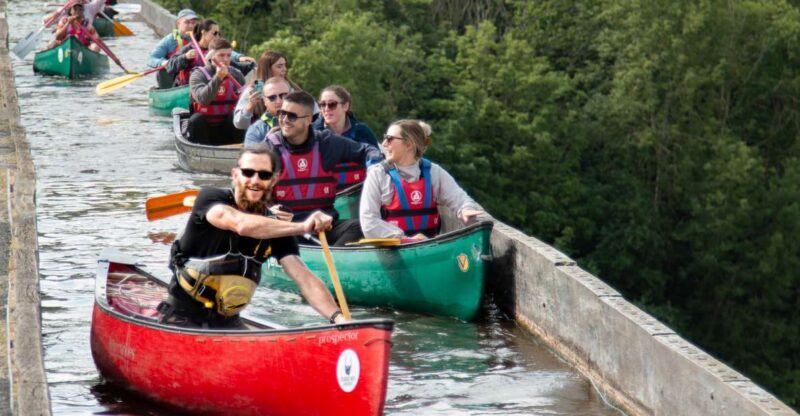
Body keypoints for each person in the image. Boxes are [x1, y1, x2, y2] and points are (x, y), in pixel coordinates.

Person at [158, 145, 347, 329]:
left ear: (273, 181)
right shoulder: (210, 198)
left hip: (228, 322)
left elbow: (305, 280)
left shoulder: (275, 228)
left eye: (263, 175)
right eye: (248, 173)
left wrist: (339, 319)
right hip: (181, 318)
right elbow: (241, 224)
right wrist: (302, 226)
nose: (255, 180)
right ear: (235, 175)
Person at [257, 91, 384, 246]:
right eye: (281, 114)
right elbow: (247, 193)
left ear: (309, 120)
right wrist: (269, 209)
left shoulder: (326, 143)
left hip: (324, 226)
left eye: (291, 116)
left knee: (358, 228)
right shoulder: (268, 150)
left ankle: (331, 262)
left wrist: (374, 165)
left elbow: (367, 150)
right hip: (287, 229)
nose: (284, 120)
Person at [360, 120, 484, 241]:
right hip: (393, 251)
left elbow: (460, 198)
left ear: (409, 144)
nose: (384, 144)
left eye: (389, 138)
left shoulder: (433, 172)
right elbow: (368, 221)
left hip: (428, 247)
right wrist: (405, 239)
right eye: (385, 138)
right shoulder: (377, 174)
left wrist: (465, 209)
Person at [312, 85, 379, 191]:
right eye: (322, 104)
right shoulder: (312, 133)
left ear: (345, 106)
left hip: (359, 196)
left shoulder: (362, 132)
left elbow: (377, 165)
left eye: (332, 104)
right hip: (323, 197)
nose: (326, 109)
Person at [187, 38, 246, 145]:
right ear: (211, 56)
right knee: (196, 120)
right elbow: (203, 100)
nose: (226, 59)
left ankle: (238, 150)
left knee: (238, 117)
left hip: (227, 127)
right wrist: (218, 77)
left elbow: (245, 102)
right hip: (204, 128)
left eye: (229, 55)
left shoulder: (237, 74)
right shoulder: (198, 75)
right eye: (221, 55)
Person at [167, 19, 255, 87]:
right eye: (215, 33)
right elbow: (170, 66)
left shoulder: (216, 51)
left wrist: (251, 65)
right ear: (204, 33)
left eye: (219, 33)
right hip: (190, 87)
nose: (218, 37)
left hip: (210, 87)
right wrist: (185, 57)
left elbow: (236, 68)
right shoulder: (190, 48)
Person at [233, 51, 308, 130]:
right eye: (279, 66)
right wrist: (250, 107)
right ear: (267, 69)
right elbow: (239, 124)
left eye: (285, 65)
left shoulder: (291, 88)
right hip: (261, 135)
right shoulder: (255, 89)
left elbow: (311, 110)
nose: (285, 69)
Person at [146, 8, 198, 89]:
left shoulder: (200, 39)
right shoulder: (170, 40)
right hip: (173, 79)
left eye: (193, 23)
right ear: (178, 23)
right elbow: (151, 59)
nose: (191, 26)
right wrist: (163, 62)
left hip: (193, 78)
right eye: (187, 22)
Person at [243, 77, 290, 145]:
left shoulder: (305, 122)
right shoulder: (256, 130)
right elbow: (251, 154)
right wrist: (268, 142)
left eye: (283, 95)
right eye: (272, 97)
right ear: (265, 101)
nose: (279, 101)